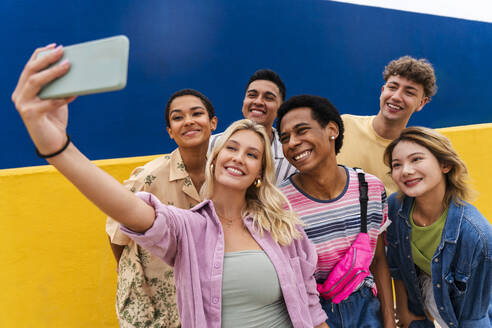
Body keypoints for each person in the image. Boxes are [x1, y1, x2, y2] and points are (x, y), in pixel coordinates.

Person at [12, 44, 329, 328]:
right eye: (231, 148)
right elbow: (127, 207)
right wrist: (57, 147)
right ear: (215, 160)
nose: (239, 158)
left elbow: (311, 309)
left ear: (259, 172)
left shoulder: (282, 226)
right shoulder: (189, 229)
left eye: (252, 154)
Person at [276, 95, 395, 327]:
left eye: (302, 131)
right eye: (285, 138)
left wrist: (389, 321)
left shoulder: (370, 187)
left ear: (332, 130)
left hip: (367, 310)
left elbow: (379, 259)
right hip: (313, 314)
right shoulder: (279, 203)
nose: (292, 143)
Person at [106, 89, 217, 327]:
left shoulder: (226, 173)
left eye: (197, 113)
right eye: (178, 118)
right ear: (170, 131)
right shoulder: (147, 178)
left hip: (200, 293)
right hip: (149, 299)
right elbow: (116, 234)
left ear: (213, 122)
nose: (188, 121)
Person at [384, 127, 492, 328]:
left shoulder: (476, 235)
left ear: (445, 164)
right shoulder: (396, 207)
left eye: (416, 159)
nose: (406, 171)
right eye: (397, 165)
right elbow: (398, 265)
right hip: (428, 298)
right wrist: (403, 309)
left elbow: (473, 318)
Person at [337, 56, 437, 195]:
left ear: (421, 103)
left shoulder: (415, 157)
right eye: (392, 87)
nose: (396, 96)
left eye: (409, 92)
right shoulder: (343, 126)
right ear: (383, 90)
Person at [209, 69, 297, 184]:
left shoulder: (290, 157)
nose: (258, 102)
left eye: (268, 98)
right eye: (252, 95)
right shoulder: (211, 145)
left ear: (280, 109)